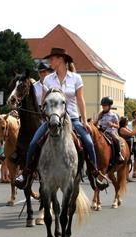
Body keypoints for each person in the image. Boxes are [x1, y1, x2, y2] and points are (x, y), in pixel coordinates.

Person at [15, 48, 108, 190]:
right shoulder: (48, 79)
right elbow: (44, 101)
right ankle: (26, 173)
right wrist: (43, 113)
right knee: (33, 142)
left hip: (72, 118)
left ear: (61, 60)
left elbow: (80, 99)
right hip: (52, 119)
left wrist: (83, 120)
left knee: (88, 142)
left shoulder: (76, 78)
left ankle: (94, 174)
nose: (50, 62)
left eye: (52, 59)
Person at [96, 96, 124, 163]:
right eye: (102, 105)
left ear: (109, 106)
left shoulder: (113, 115)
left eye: (105, 105)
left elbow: (118, 126)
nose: (103, 107)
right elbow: (96, 122)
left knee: (116, 139)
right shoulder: (100, 114)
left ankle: (119, 154)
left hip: (110, 131)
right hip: (101, 131)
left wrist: (112, 125)